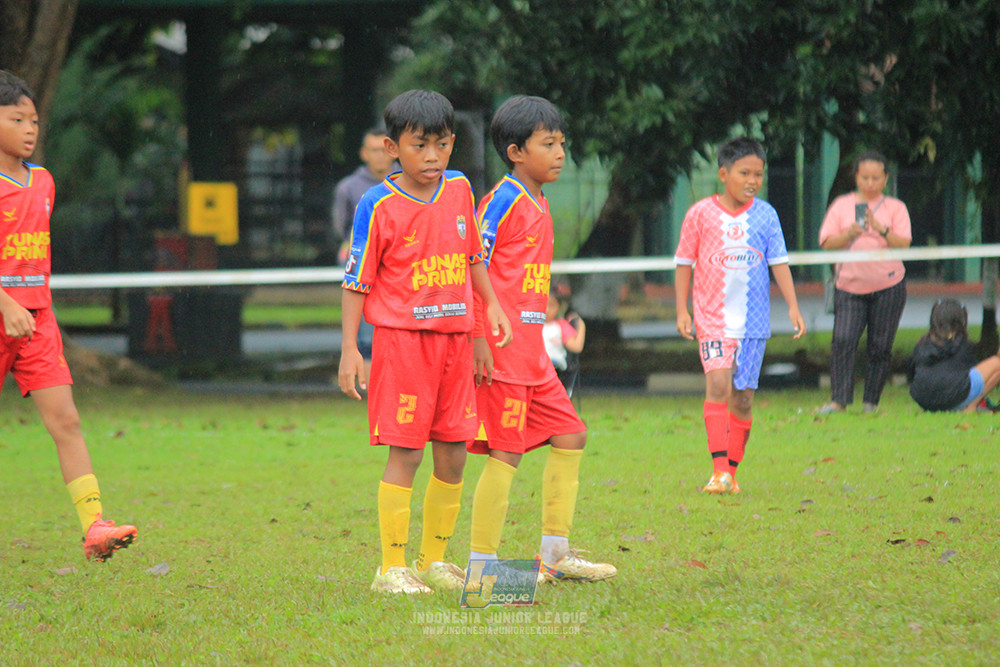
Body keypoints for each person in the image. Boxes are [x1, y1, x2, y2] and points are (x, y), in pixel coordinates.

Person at [337, 89, 512, 594]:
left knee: (454, 450)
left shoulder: (459, 189)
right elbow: (356, 282)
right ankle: (391, 568)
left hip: (458, 343)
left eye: (440, 145)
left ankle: (434, 559)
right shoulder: (376, 205)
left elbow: (472, 260)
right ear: (394, 148)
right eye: (419, 146)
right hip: (404, 344)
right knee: (407, 452)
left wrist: (487, 315)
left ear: (452, 144)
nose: (431, 157)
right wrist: (351, 349)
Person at [467, 95, 616, 582]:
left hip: (534, 353)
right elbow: (472, 266)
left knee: (571, 432)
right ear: (515, 151)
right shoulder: (501, 201)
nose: (559, 154)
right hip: (503, 351)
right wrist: (479, 338)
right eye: (547, 144)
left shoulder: (540, 200)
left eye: (561, 144)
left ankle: (555, 554)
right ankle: (484, 570)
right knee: (504, 452)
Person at [0, 71, 137, 560]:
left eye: (34, 120)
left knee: (67, 421)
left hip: (37, 323)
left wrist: (30, 307)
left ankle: (95, 528)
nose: (30, 129)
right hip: (4, 314)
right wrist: (5, 301)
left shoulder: (43, 182)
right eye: (17, 119)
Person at [674, 137, 806, 495]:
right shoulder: (699, 214)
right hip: (712, 319)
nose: (752, 180)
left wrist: (793, 305)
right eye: (744, 173)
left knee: (743, 398)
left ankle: (731, 472)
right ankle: (718, 472)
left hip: (753, 324)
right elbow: (684, 263)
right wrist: (681, 310)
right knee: (718, 385)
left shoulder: (766, 216)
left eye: (758, 174)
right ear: (723, 174)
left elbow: (779, 262)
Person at [816, 150, 912, 414]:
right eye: (865, 177)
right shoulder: (841, 206)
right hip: (849, 286)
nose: (870, 183)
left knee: (880, 346)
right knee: (843, 340)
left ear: (885, 179)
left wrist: (880, 228)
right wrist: (849, 232)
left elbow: (904, 244)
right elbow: (826, 242)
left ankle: (871, 402)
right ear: (856, 177)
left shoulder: (896, 208)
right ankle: (839, 400)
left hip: (889, 286)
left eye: (876, 178)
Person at [331, 128, 396, 362]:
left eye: (383, 150)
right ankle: (364, 352)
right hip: (363, 254)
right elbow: (342, 226)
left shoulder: (410, 179)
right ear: (363, 153)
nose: (380, 156)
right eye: (374, 150)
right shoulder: (348, 188)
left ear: (393, 150)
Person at [907, 299, 1000, 412]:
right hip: (955, 395)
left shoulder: (922, 344)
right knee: (997, 363)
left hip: (924, 400)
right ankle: (972, 406)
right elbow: (969, 372)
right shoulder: (961, 343)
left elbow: (911, 372)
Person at [543, 292, 585, 373]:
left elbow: (576, 347)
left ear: (559, 308)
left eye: (551, 306)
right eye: (543, 305)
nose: (547, 310)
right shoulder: (533, 325)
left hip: (555, 366)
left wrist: (581, 326)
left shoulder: (561, 325)